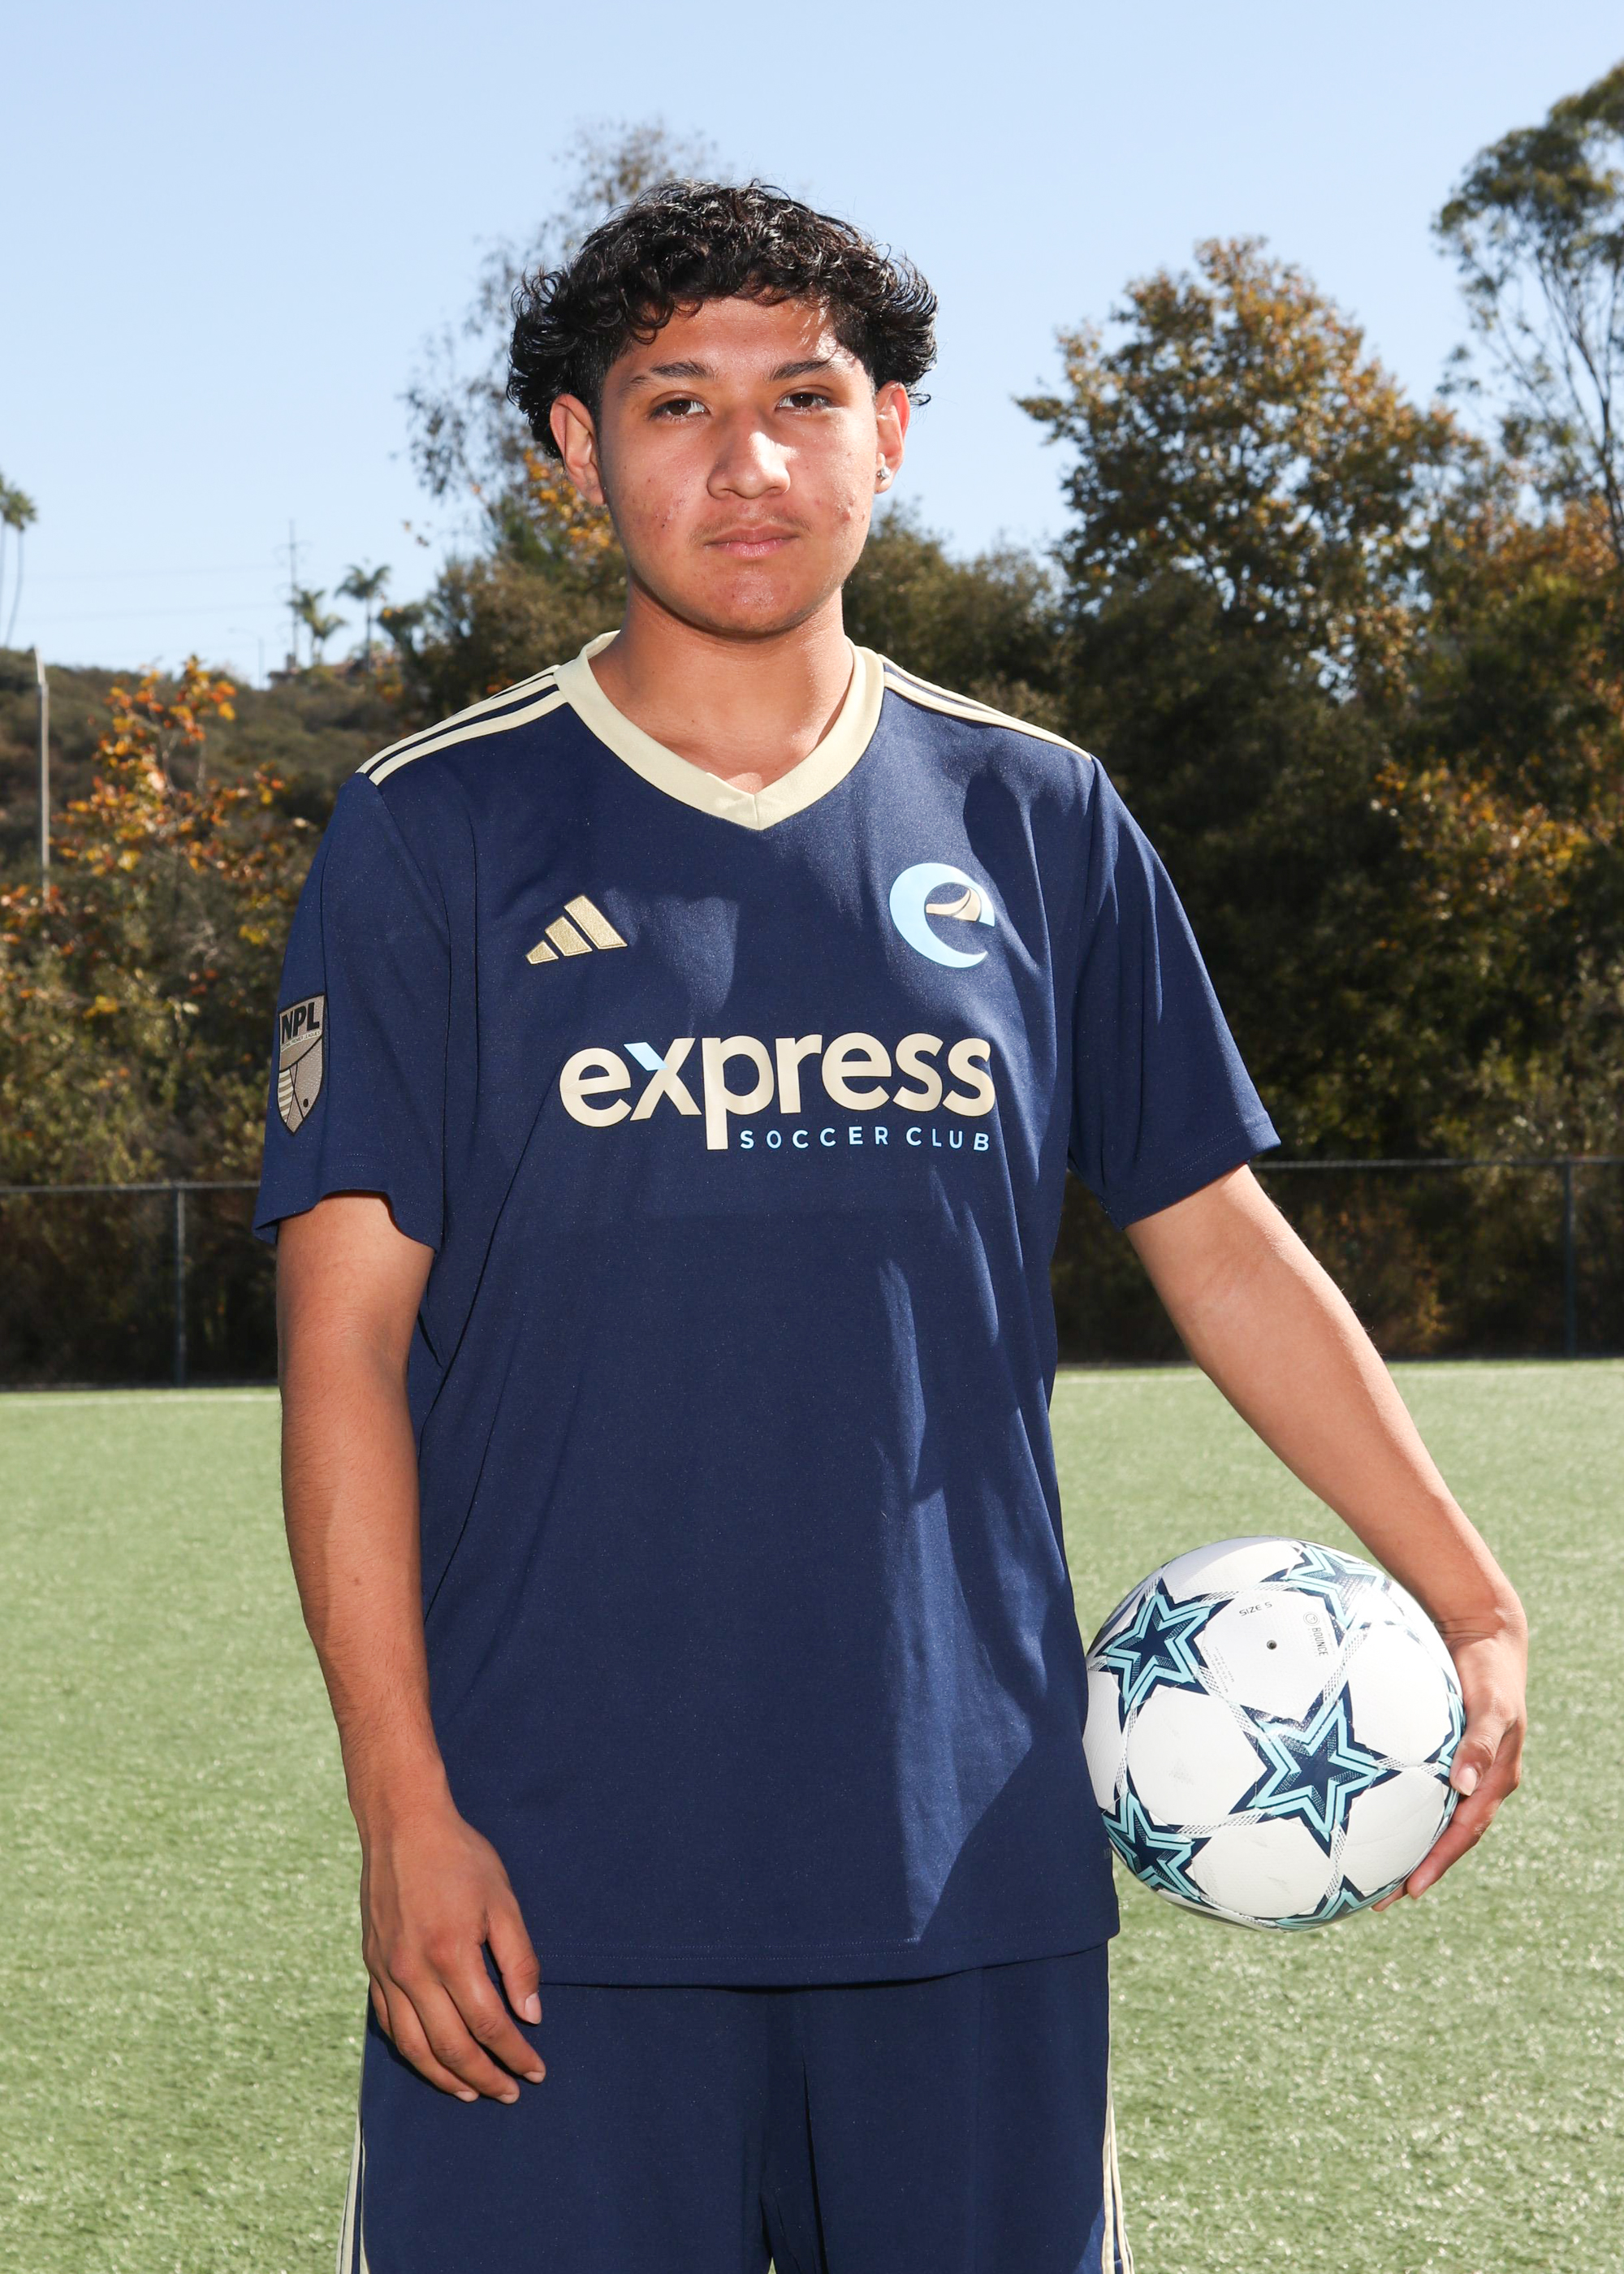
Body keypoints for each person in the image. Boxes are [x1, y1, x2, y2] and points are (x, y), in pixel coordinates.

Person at [256, 180, 1527, 2274]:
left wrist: (1468, 1595)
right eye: (674, 403)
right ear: (579, 450)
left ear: (892, 433)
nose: (745, 461)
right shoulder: (433, 829)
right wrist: (404, 1807)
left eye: (804, 397)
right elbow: (342, 1354)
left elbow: (1219, 1242)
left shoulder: (1039, 817)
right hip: (549, 1887)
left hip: (969, 1869)